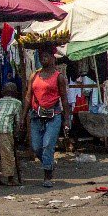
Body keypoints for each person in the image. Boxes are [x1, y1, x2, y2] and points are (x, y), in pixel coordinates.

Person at [25, 48, 70, 188]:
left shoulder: (59, 77)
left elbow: (64, 99)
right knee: (36, 146)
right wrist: (23, 116)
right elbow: (28, 97)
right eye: (41, 56)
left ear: (52, 57)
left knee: (48, 145)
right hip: (36, 115)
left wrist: (67, 120)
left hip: (53, 115)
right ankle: (49, 163)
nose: (43, 58)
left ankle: (47, 176)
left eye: (46, 56)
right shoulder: (35, 76)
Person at [0, 82, 23, 185]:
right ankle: (10, 179)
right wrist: (17, 135)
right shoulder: (17, 103)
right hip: (5, 128)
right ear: (15, 93)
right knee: (7, 153)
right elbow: (17, 120)